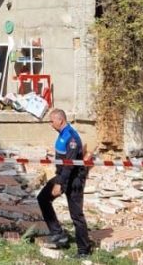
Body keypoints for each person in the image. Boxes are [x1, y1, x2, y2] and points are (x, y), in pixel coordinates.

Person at [36, 108, 92, 257]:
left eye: (51, 121)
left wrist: (59, 183)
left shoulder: (71, 137)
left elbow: (69, 164)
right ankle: (58, 233)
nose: (50, 124)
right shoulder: (62, 134)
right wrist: (58, 179)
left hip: (74, 181)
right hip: (63, 176)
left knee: (76, 216)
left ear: (60, 120)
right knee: (42, 198)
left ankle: (84, 250)